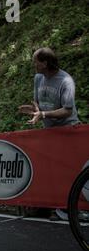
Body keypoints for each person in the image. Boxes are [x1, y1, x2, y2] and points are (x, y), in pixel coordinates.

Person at [18, 47, 81, 221]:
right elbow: (40, 105)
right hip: (48, 132)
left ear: (45, 63)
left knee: (67, 173)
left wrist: (44, 115)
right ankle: (46, 206)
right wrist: (33, 110)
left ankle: (68, 209)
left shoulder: (66, 81)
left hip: (67, 131)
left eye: (35, 61)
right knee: (47, 170)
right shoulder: (38, 78)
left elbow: (67, 110)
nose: (33, 65)